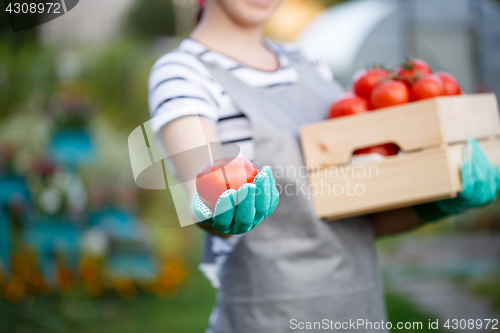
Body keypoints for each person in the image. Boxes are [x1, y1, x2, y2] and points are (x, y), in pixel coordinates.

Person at [148, 0, 500, 332]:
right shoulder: (183, 71)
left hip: (363, 315)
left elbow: (355, 223)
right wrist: (213, 208)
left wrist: (441, 202)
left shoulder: (307, 63)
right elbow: (204, 185)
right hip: (269, 319)